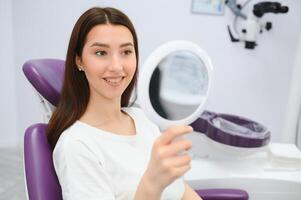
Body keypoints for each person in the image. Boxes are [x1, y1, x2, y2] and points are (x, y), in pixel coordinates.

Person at [47, 7, 202, 200]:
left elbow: (181, 191)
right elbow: (155, 185)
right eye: (101, 53)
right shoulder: (77, 146)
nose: (116, 66)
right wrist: (151, 184)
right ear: (79, 61)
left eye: (126, 51)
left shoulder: (142, 119)